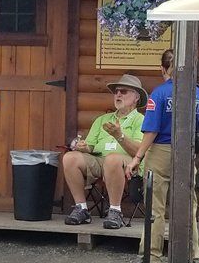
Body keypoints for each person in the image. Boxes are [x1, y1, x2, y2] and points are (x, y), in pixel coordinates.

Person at [126, 49, 199, 263]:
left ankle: (152, 259)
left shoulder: (159, 94)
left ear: (163, 69)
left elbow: (151, 130)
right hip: (187, 153)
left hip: (161, 152)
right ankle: (190, 258)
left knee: (155, 208)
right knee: (188, 206)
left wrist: (137, 157)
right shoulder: (197, 93)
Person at [62, 74, 147, 229]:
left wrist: (119, 136)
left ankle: (115, 211)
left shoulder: (140, 120)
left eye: (123, 91)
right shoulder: (103, 119)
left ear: (136, 98)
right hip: (100, 161)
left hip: (129, 164)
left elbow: (139, 150)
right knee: (70, 158)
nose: (118, 94)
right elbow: (90, 146)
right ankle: (81, 209)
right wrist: (83, 147)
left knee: (113, 159)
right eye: (116, 92)